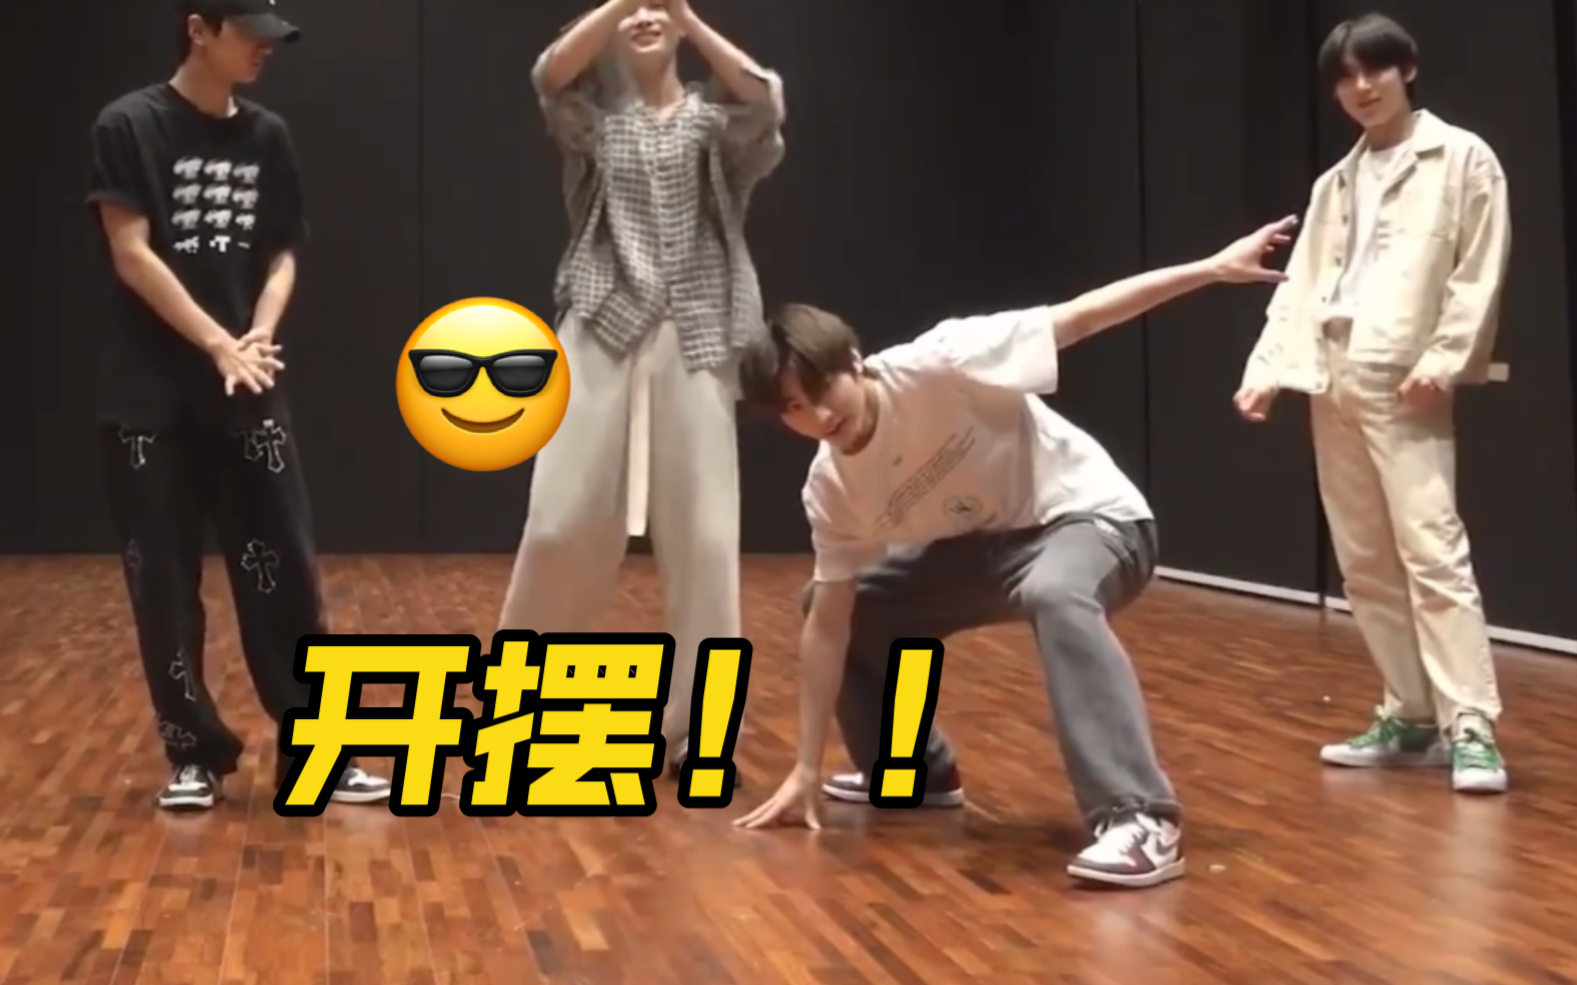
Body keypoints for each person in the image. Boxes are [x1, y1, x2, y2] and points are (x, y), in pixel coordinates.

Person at [728, 217, 1300, 889]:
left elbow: (1082, 316)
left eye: (822, 390)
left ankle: (1140, 816)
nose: (819, 417)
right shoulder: (831, 487)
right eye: (794, 408)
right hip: (986, 548)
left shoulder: (942, 362)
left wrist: (1210, 268)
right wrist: (804, 765)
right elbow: (827, 627)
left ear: (853, 361)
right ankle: (911, 771)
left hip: (1091, 518)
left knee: (1054, 590)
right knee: (844, 605)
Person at [86, 0, 390, 811]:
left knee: (286, 575)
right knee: (164, 586)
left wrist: (256, 333)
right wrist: (216, 342)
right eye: (249, 34)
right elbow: (130, 252)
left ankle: (318, 751)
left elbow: (283, 249)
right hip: (148, 399)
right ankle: (193, 753)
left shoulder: (268, 136)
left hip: (247, 388)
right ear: (199, 30)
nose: (265, 48)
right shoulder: (129, 125)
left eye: (272, 36)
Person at [496, 0, 785, 777]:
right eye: (635, 11)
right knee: (559, 521)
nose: (646, 16)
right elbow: (548, 75)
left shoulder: (715, 125)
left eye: (660, 8)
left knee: (705, 538)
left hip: (697, 334)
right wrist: (623, 4)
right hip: (600, 323)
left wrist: (683, 14)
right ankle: (521, 704)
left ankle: (696, 731)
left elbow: (763, 99)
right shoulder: (593, 121)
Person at [1233, 13, 1511, 795]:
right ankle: (1408, 710)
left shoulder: (1461, 158)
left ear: (1405, 69)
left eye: (1374, 70)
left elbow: (1477, 270)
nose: (1361, 87)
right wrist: (1268, 368)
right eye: (1345, 77)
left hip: (1403, 373)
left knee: (1431, 548)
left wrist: (1444, 357)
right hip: (1332, 373)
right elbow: (1304, 284)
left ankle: (1469, 722)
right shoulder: (1335, 182)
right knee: (1362, 558)